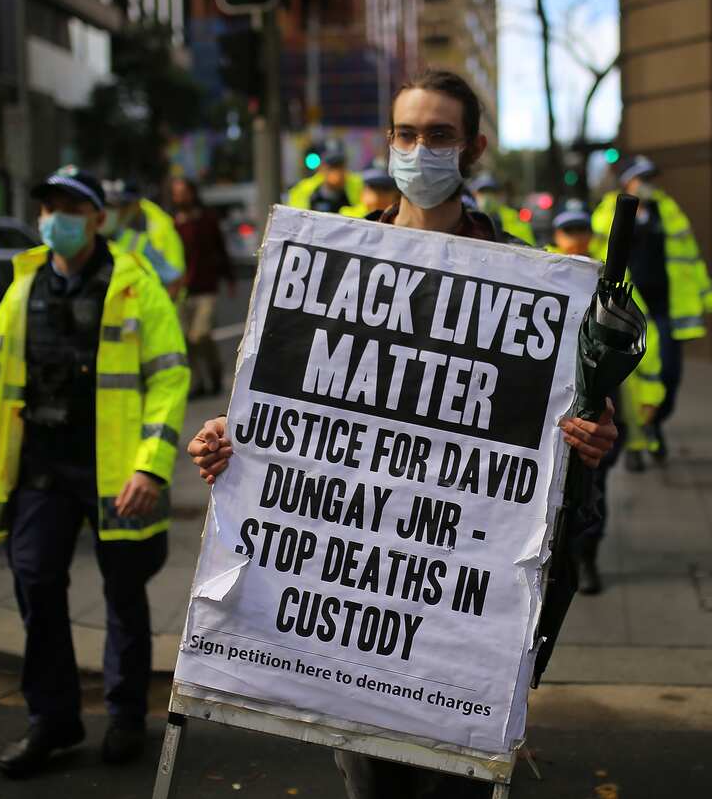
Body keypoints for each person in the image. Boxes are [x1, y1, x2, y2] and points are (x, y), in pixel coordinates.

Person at [187, 70, 620, 799]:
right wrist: (237, 445)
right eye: (407, 134)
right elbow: (291, 402)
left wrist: (592, 439)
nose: (421, 150)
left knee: (453, 775)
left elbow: (570, 432)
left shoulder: (530, 280)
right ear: (389, 143)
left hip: (462, 603)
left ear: (475, 148)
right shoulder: (331, 262)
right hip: (349, 595)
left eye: (440, 135)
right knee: (369, 775)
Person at [0, 165, 189, 779]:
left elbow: (169, 378)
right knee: (34, 581)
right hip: (40, 465)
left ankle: (124, 715)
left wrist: (152, 467)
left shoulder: (135, 284)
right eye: (48, 206)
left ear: (97, 217)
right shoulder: (22, 287)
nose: (55, 218)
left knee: (124, 588)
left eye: (69, 207)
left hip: (117, 472)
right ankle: (53, 719)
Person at [548, 209, 664, 594]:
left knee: (590, 487)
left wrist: (650, 398)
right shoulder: (544, 271)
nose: (575, 239)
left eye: (581, 231)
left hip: (599, 405)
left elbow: (646, 343)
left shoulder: (613, 280)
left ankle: (586, 558)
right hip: (552, 410)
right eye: (568, 231)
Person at [592, 156, 712, 469]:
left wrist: (711, 299)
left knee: (669, 375)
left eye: (650, 177)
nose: (649, 183)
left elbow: (691, 258)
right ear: (627, 182)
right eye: (641, 178)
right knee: (637, 379)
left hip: (667, 307)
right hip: (629, 308)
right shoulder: (611, 211)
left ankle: (654, 422)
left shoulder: (668, 210)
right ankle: (638, 440)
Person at [171, 177, 235, 398]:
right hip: (181, 289)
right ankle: (197, 381)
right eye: (176, 193)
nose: (180, 197)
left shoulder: (207, 219)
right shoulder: (171, 224)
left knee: (200, 335)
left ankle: (215, 371)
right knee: (185, 339)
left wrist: (229, 278)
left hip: (206, 286)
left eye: (183, 192)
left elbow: (220, 249)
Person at [101, 179, 186, 297]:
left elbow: (174, 279)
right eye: (102, 207)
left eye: (112, 207)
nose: (106, 213)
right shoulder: (84, 242)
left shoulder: (142, 237)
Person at [287, 144, 364, 214]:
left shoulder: (358, 184)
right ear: (321, 168)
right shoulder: (304, 189)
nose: (337, 173)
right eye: (332, 167)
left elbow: (367, 211)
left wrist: (345, 213)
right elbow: (296, 216)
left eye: (340, 167)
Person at [471, 174, 535, 246]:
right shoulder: (468, 217)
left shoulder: (514, 218)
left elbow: (528, 250)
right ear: (474, 194)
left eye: (491, 192)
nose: (487, 197)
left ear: (498, 195)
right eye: (482, 192)